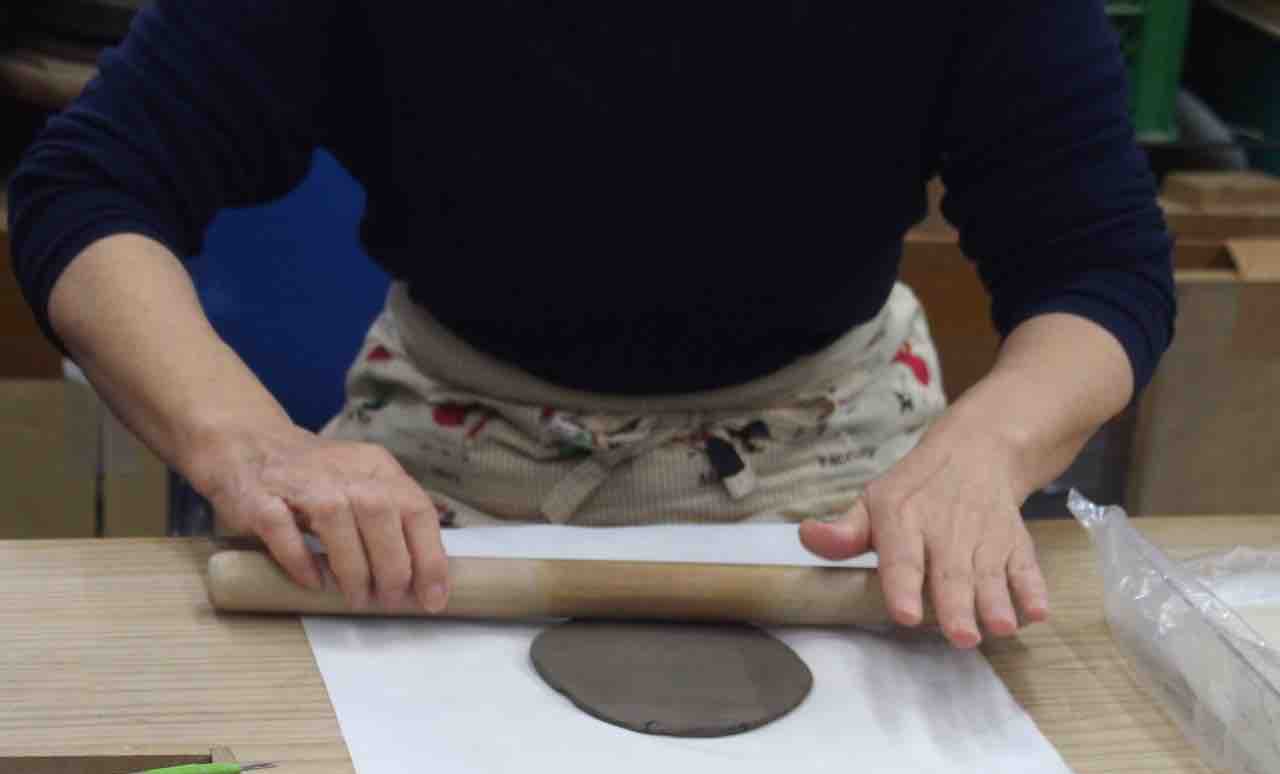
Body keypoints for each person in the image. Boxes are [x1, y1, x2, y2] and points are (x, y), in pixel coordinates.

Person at [8, 2, 1174, 649]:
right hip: (437, 495)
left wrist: (983, 454)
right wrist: (252, 447)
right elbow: (91, 186)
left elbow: (1097, 264)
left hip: (839, 495)